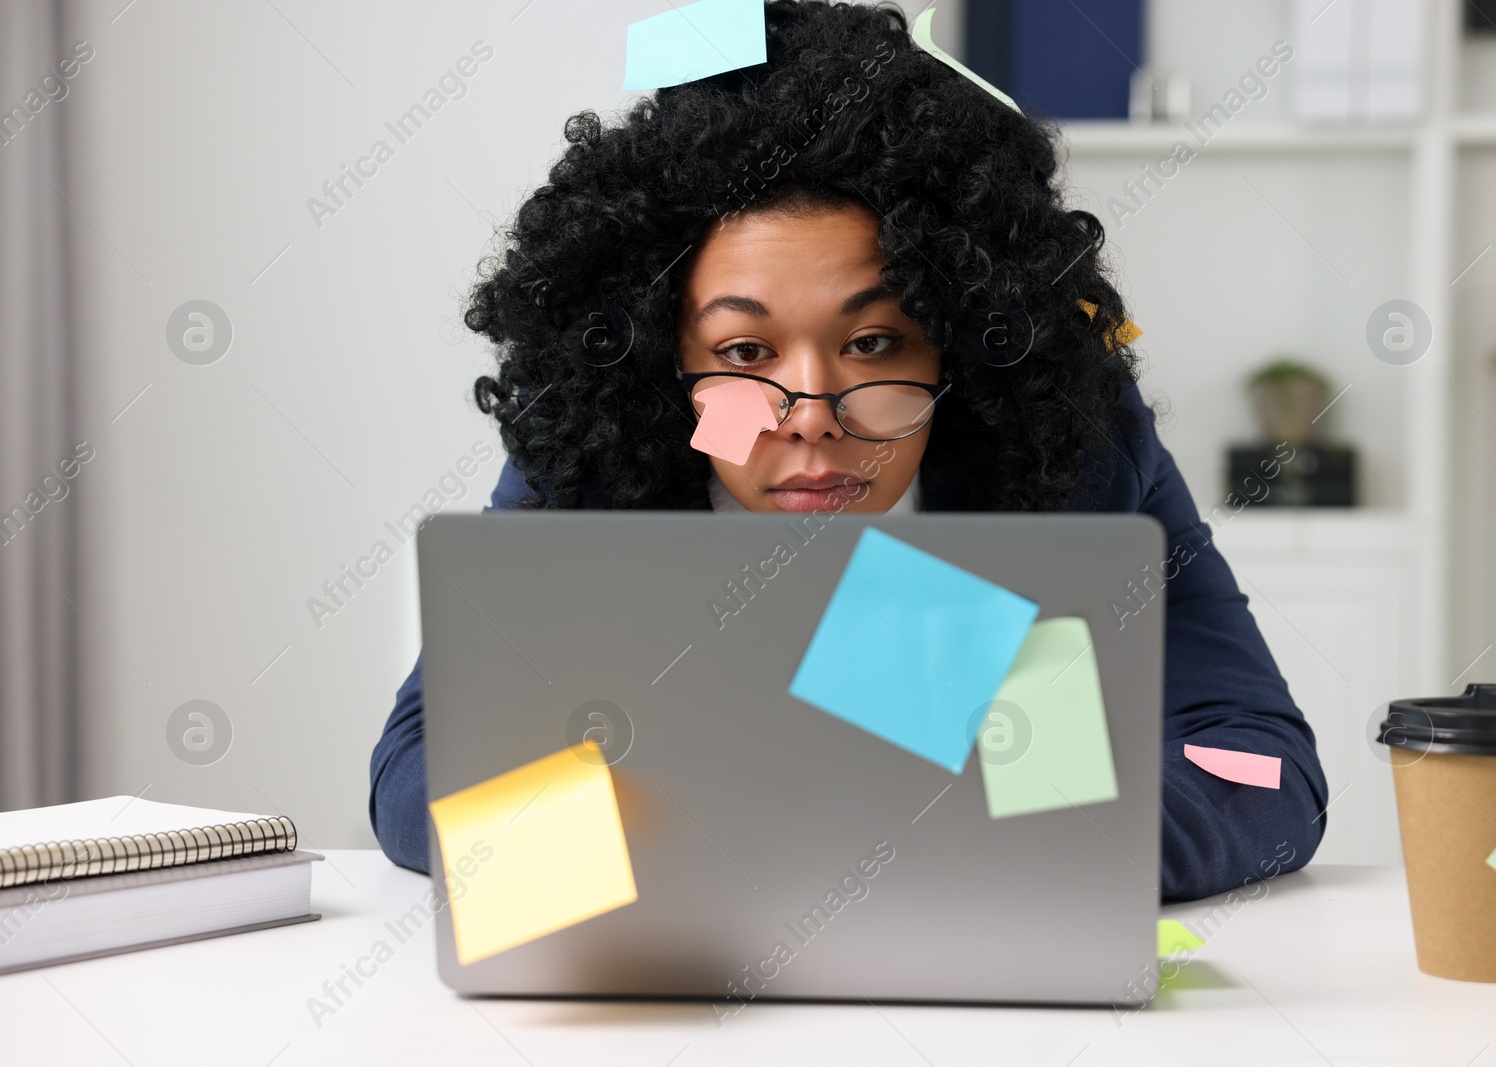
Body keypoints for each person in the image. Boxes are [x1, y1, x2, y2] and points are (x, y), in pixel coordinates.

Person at [369, 0, 1328, 902]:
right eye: (744, 352)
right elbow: (422, 764)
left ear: (958, 342)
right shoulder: (582, 452)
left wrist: (1013, 853)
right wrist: (667, 851)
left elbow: (1258, 765)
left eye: (874, 344)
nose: (814, 413)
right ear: (666, 363)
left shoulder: (1081, 440)